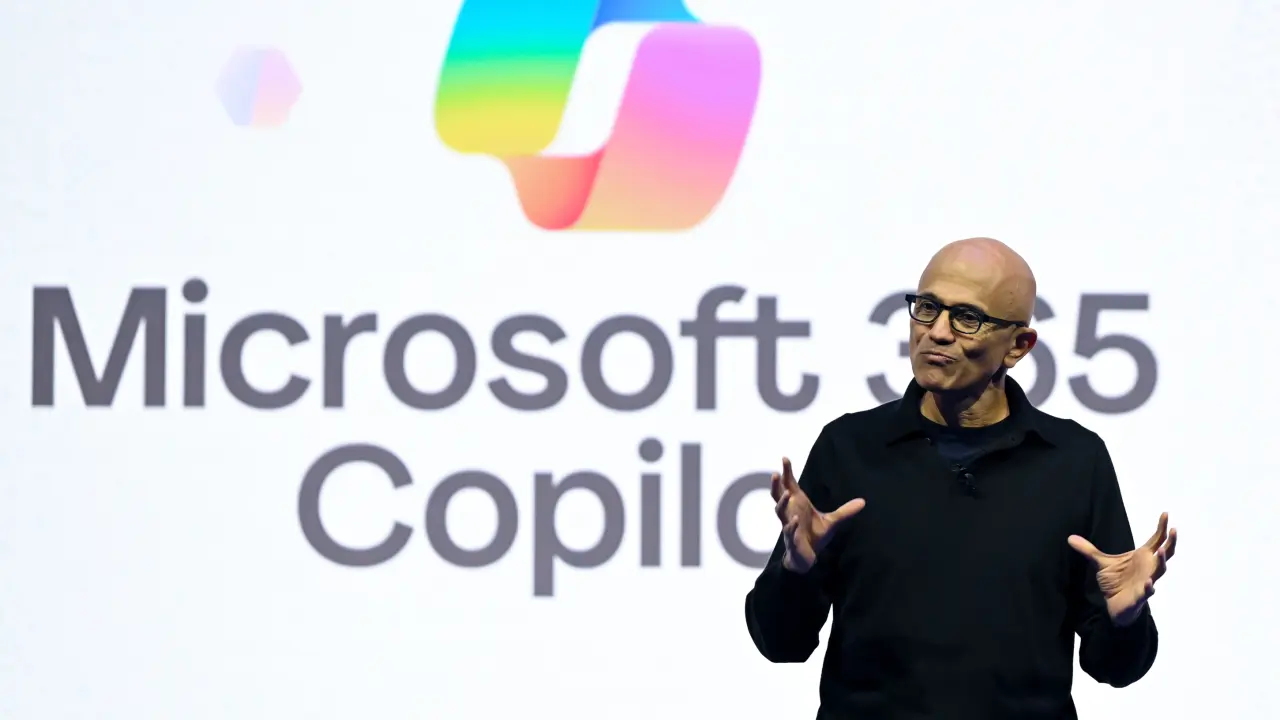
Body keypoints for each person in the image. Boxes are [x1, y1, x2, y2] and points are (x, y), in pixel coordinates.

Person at [744, 237, 1177, 719]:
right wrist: (795, 572)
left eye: (967, 318)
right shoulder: (849, 448)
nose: (937, 332)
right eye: (927, 308)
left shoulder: (1074, 461)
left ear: (1018, 346)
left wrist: (1126, 619)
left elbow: (1115, 668)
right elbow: (781, 643)